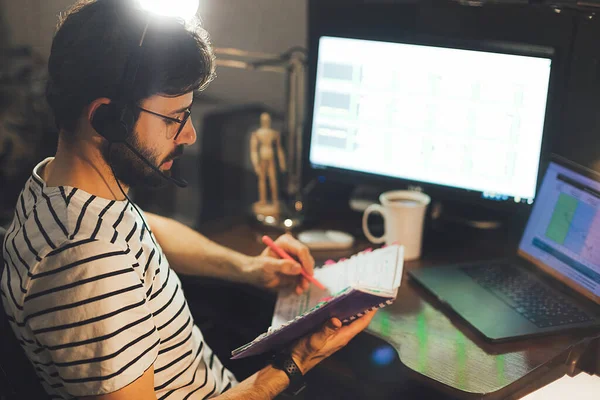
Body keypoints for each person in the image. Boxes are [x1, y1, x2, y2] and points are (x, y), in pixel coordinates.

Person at [0, 0, 375, 399]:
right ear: (105, 119)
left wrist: (249, 268)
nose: (189, 135)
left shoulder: (55, 187)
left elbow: (145, 228)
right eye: (173, 118)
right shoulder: (89, 265)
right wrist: (299, 360)